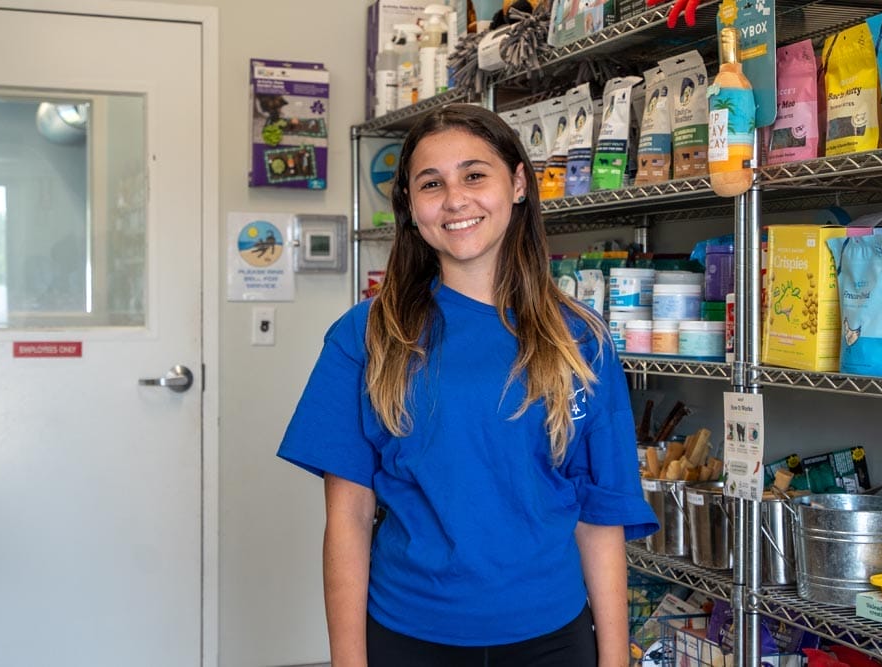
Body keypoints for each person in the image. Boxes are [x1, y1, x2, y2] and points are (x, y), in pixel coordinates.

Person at [277, 103, 658, 667]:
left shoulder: (580, 339)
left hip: (552, 636)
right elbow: (348, 517)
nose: (455, 199)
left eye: (475, 175)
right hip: (409, 633)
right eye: (432, 183)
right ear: (411, 207)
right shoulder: (368, 335)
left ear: (518, 184)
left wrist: (615, 658)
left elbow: (600, 515)